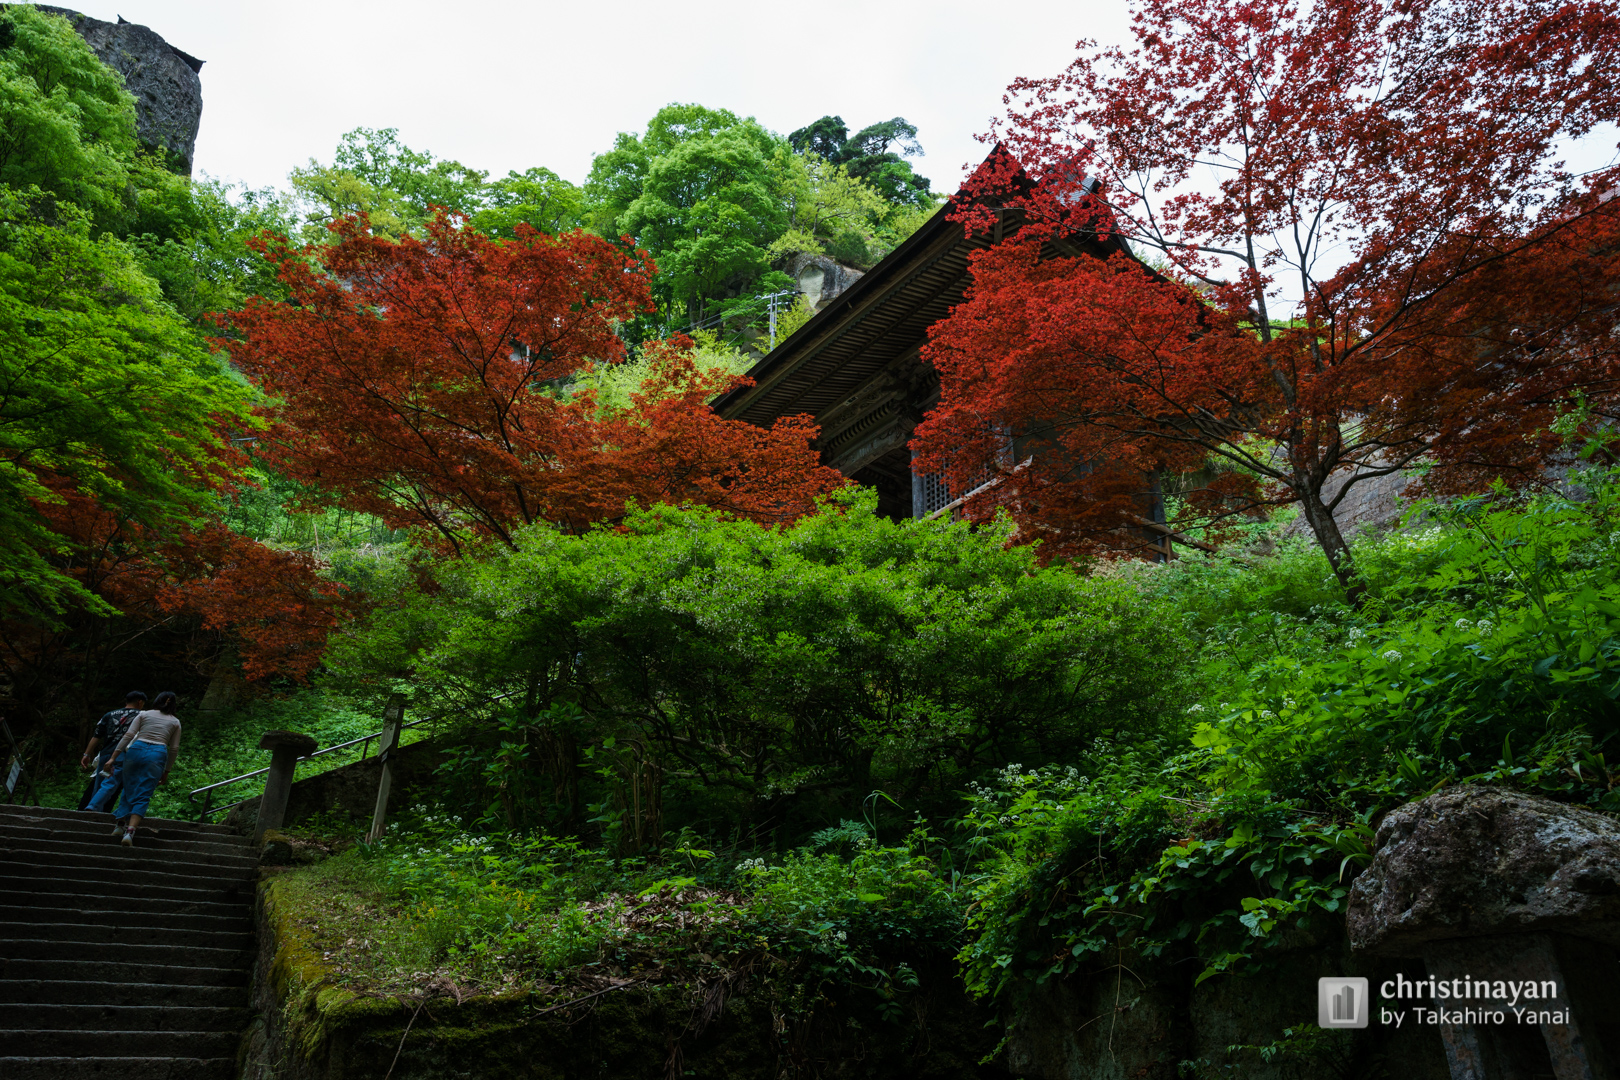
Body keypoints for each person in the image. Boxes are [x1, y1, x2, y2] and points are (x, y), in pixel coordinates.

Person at [103, 690, 181, 847]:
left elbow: (129, 735)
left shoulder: (144, 714)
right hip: (157, 753)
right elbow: (174, 749)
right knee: (144, 792)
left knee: (128, 786)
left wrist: (113, 757)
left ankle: (119, 826)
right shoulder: (175, 722)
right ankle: (130, 831)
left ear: (157, 700)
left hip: (136, 749)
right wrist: (167, 771)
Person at [80, 691, 146, 811]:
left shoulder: (109, 715)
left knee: (98, 785)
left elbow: (96, 736)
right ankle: (93, 809)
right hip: (123, 754)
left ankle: (90, 812)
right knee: (111, 784)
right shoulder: (143, 715)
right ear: (139, 702)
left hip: (105, 753)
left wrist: (87, 754)